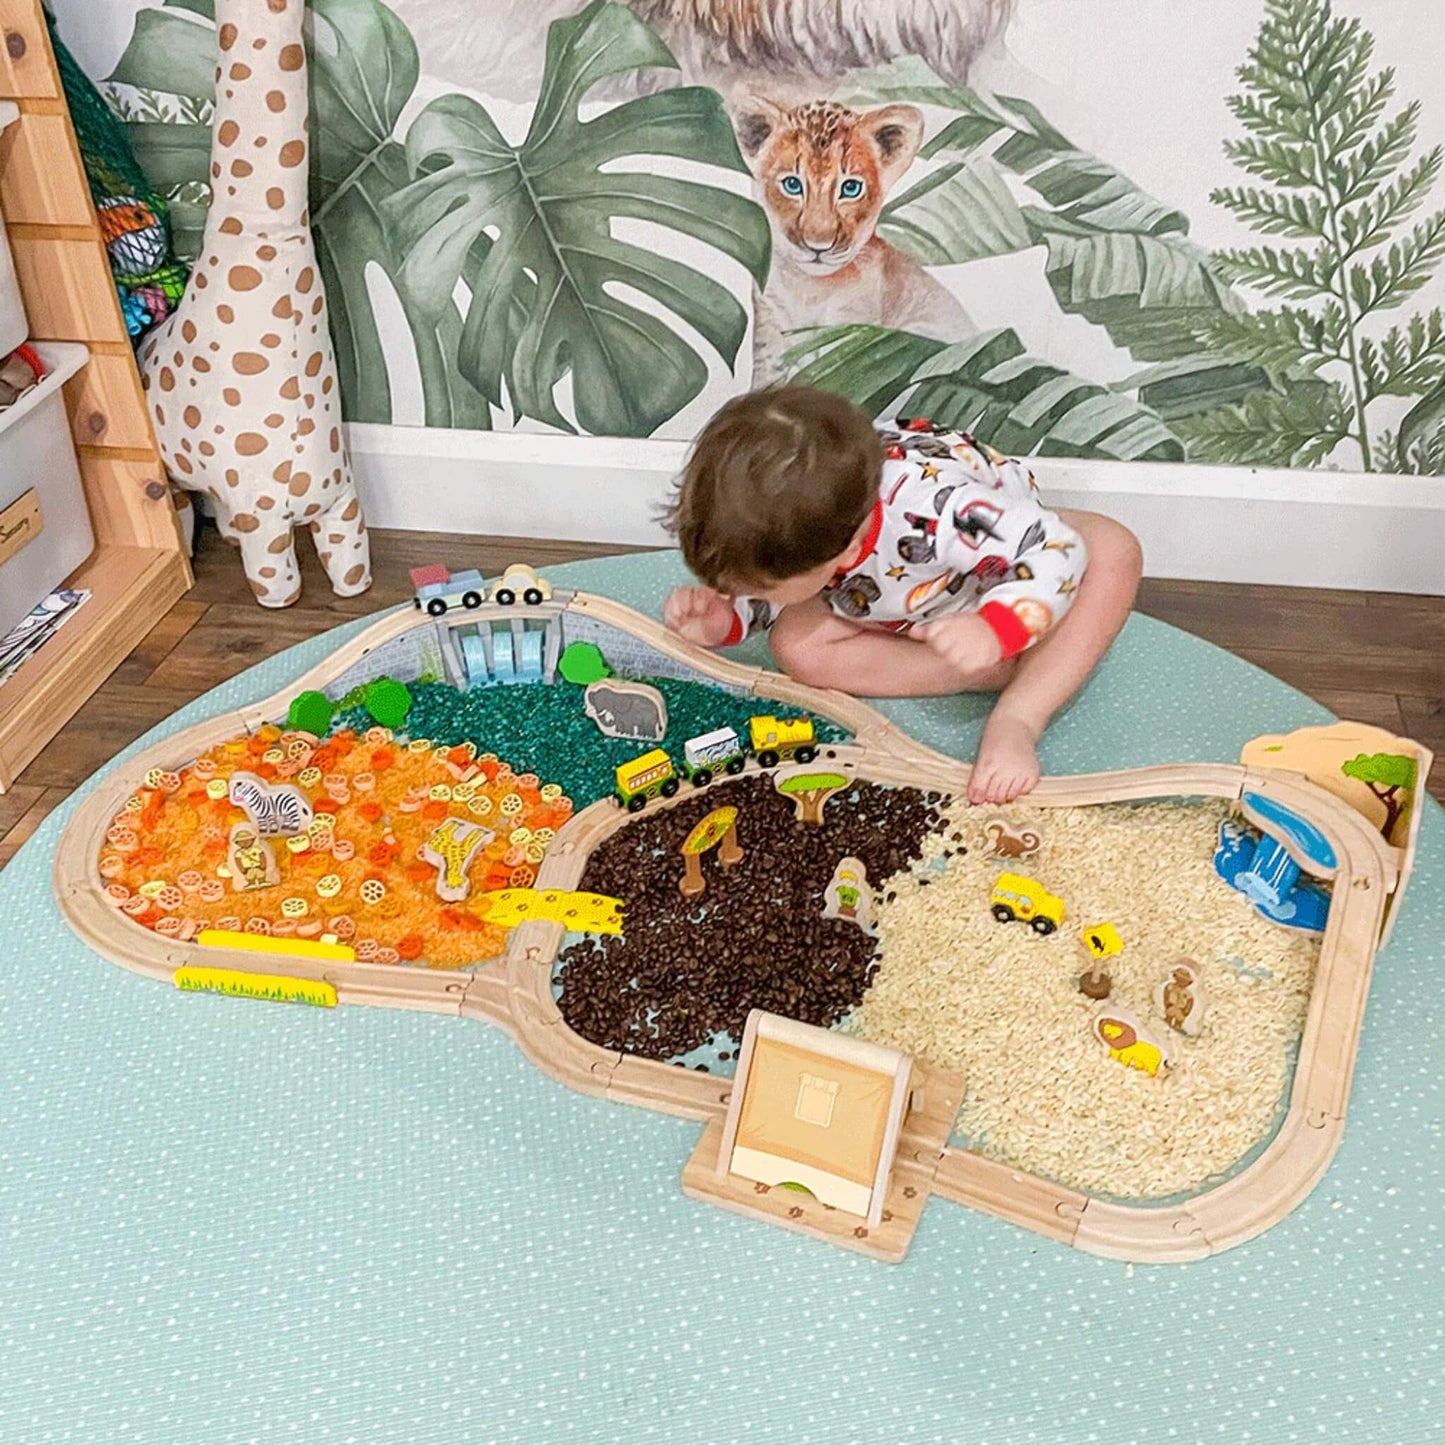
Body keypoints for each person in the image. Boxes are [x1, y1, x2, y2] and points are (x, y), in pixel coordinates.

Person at [662, 386, 1143, 804]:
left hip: (997, 580)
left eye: (749, 586)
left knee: (1113, 551)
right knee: (795, 645)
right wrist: (728, 619)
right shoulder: (819, 516)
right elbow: (783, 578)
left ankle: (1018, 713)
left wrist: (997, 627)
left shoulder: (939, 510)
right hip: (901, 601)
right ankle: (978, 668)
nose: (733, 591)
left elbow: (1057, 549)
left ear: (846, 547)